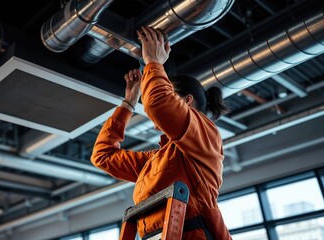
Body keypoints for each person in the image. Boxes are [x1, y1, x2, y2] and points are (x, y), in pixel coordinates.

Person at [91, 26, 232, 240]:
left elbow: (159, 104)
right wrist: (129, 102)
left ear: (186, 101)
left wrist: (154, 62)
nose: (155, 122)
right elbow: (103, 156)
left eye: (171, 95)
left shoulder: (205, 133)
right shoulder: (156, 160)